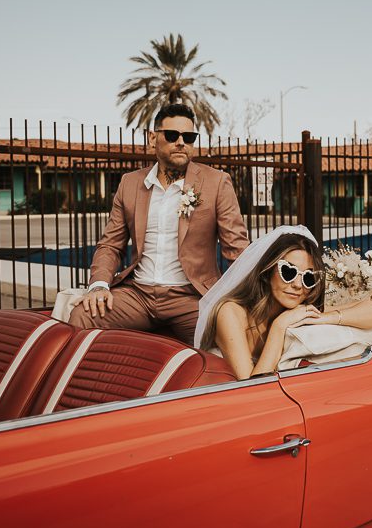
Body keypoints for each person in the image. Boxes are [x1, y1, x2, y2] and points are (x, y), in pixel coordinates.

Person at [70, 103, 248, 346]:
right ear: (153, 138)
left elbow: (236, 248)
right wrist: (99, 285)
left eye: (189, 137)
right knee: (83, 314)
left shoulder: (216, 182)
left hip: (192, 297)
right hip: (138, 294)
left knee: (234, 338)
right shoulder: (130, 183)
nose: (181, 142)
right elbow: (111, 244)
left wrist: (248, 297)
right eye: (173, 135)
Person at [195, 225, 372, 380]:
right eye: (289, 272)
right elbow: (253, 388)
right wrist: (279, 326)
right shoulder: (230, 312)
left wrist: (323, 318)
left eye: (308, 278)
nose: (297, 285)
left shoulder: (295, 309)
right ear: (267, 270)